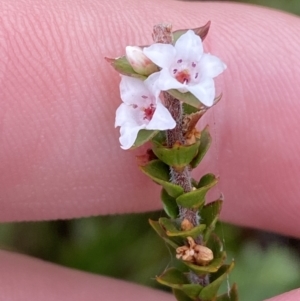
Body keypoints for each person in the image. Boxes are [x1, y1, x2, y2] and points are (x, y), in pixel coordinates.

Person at [0, 0, 299, 300]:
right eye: (177, 73)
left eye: (185, 73)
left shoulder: (192, 77)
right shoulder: (155, 88)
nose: (183, 75)